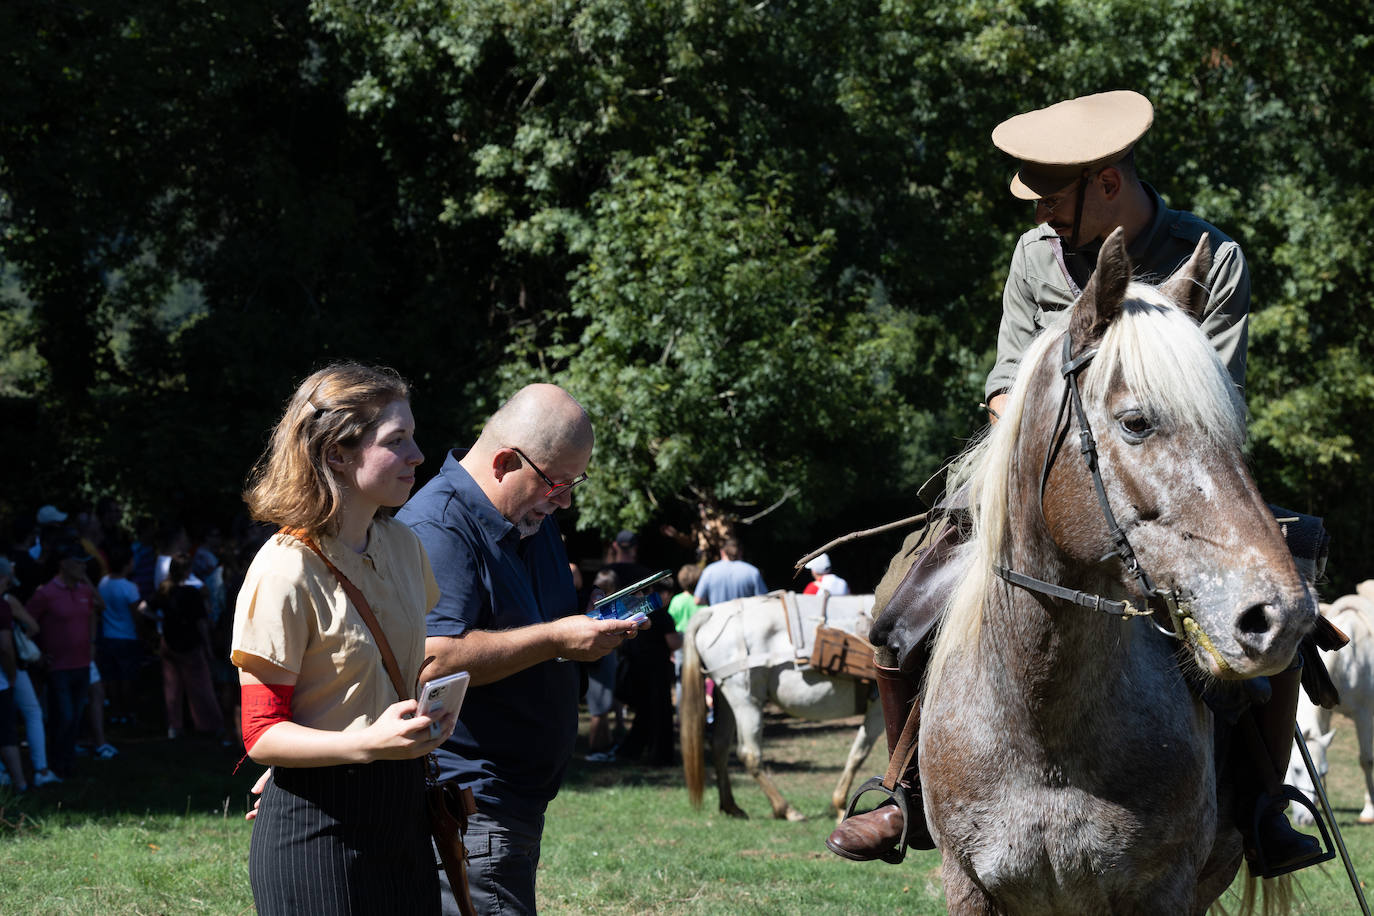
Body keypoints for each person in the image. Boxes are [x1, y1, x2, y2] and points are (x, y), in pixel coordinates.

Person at [828, 90, 1319, 874]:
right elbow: (1001, 384)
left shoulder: (1212, 259)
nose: (1041, 218)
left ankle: (1262, 807)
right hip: (1031, 481)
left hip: (1175, 478)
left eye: (1053, 199)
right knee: (896, 609)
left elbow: (1212, 405)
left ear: (1110, 184)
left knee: (1280, 598)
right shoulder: (1035, 259)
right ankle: (904, 792)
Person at [397, 382, 643, 915]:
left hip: (512, 803)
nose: (566, 501)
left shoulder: (529, 518)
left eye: (575, 483)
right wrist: (558, 638)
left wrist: (588, 631)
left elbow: (529, 625)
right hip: (470, 805)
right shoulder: (440, 525)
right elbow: (432, 661)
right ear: (506, 461)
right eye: (557, 484)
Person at [230, 362, 456, 916]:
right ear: (336, 453)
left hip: (404, 817)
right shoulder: (283, 569)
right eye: (396, 441)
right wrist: (361, 744)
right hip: (319, 835)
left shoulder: (404, 545)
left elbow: (383, 671)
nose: (418, 455)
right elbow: (260, 735)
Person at [26, 540, 102, 777]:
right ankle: (58, 762)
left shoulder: (84, 590)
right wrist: (36, 655)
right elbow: (26, 625)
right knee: (64, 716)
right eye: (78, 563)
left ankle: (68, 762)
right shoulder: (45, 594)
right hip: (57, 666)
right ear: (63, 564)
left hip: (82, 663)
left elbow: (93, 613)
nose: (83, 567)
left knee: (76, 716)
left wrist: (91, 643)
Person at [0, 558, 59, 787]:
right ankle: (40, 770)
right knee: (31, 713)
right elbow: (33, 626)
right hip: (10, 670)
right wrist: (19, 644)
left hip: (10, 669)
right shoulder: (7, 602)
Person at [155, 554, 225, 741]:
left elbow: (144, 607)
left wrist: (161, 621)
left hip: (168, 643)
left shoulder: (164, 590)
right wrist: (208, 648)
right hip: (190, 645)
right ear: (187, 571)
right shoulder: (192, 594)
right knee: (200, 687)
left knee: (172, 688)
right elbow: (201, 624)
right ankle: (209, 725)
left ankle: (174, 726)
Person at [97, 544, 150, 725]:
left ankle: (115, 711)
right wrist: (142, 633)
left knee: (111, 677)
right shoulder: (129, 587)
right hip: (127, 637)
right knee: (127, 677)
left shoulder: (102, 583)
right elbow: (137, 614)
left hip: (108, 635)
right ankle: (128, 711)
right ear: (128, 563)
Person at [693, 537, 768, 607]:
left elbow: (698, 600)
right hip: (745, 618)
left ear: (722, 552)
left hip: (719, 618)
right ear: (740, 552)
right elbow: (763, 600)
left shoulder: (709, 571)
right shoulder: (752, 572)